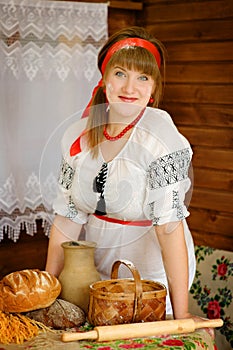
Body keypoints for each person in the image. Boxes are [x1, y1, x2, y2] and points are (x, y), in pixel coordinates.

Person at [45, 26, 204, 325]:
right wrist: (47, 289)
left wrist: (180, 313)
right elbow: (67, 219)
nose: (130, 87)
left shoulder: (162, 140)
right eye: (120, 73)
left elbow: (168, 229)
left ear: (153, 88)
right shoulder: (76, 137)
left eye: (143, 77)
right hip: (95, 265)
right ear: (105, 80)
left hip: (152, 270)